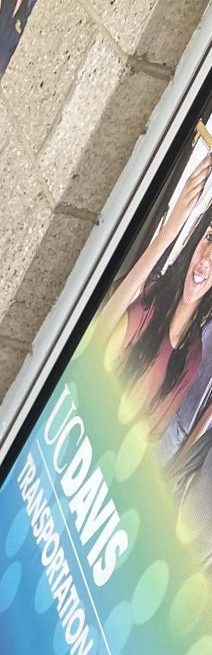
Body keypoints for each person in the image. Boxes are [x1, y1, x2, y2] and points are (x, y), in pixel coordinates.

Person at [98, 152, 212, 441]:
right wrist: (168, 234)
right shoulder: (150, 299)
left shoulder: (192, 356)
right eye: (210, 238)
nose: (206, 259)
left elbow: (144, 441)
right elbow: (98, 336)